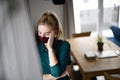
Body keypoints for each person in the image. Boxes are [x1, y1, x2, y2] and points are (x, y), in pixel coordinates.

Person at [35, 11, 71, 80]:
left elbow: (56, 73)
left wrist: (50, 48)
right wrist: (60, 75)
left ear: (55, 32)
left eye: (47, 34)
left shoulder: (64, 46)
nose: (42, 36)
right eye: (40, 33)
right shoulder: (36, 46)